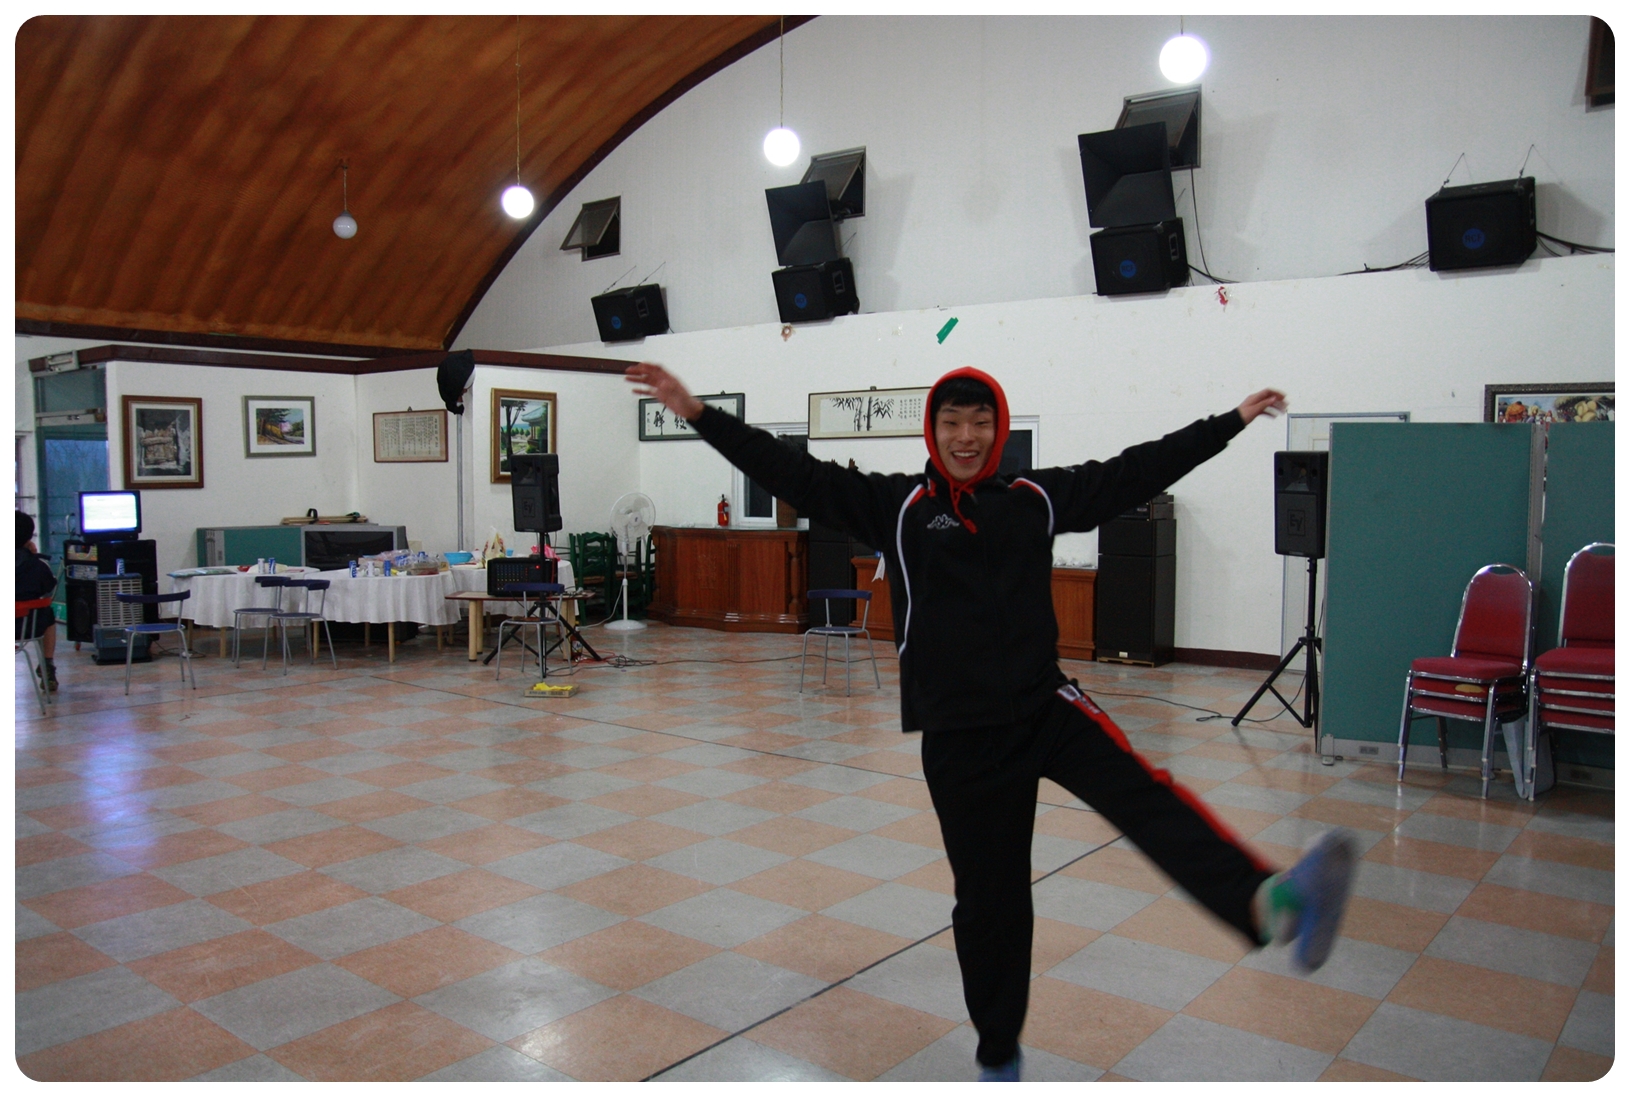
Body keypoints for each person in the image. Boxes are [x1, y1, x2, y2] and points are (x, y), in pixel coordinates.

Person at [626, 363, 1356, 1082]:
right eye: (952, 422)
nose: (966, 436)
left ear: (999, 429)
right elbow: (793, 473)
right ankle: (999, 1054)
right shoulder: (898, 506)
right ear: (933, 430)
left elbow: (1132, 472)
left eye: (980, 422)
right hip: (960, 735)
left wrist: (1226, 424)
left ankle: (1266, 900)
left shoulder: (1032, 498)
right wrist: (699, 414)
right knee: (991, 902)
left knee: (1145, 794)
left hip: (1046, 706)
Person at [17, 511, 59, 692]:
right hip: (28, 627)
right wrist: (32, 556)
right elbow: (48, 587)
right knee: (47, 613)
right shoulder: (38, 565)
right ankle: (47, 664)